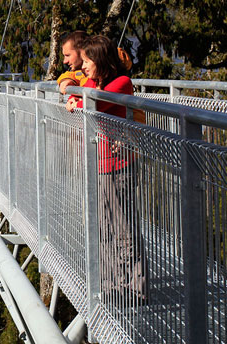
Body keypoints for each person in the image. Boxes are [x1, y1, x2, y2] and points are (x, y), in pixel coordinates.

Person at [66, 35, 147, 303]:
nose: (83, 66)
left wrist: (77, 98)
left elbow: (91, 103)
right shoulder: (98, 81)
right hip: (101, 163)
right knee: (104, 227)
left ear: (100, 61)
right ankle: (112, 284)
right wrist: (73, 90)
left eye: (87, 61)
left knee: (124, 227)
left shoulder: (121, 83)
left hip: (120, 165)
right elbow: (79, 91)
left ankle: (135, 287)